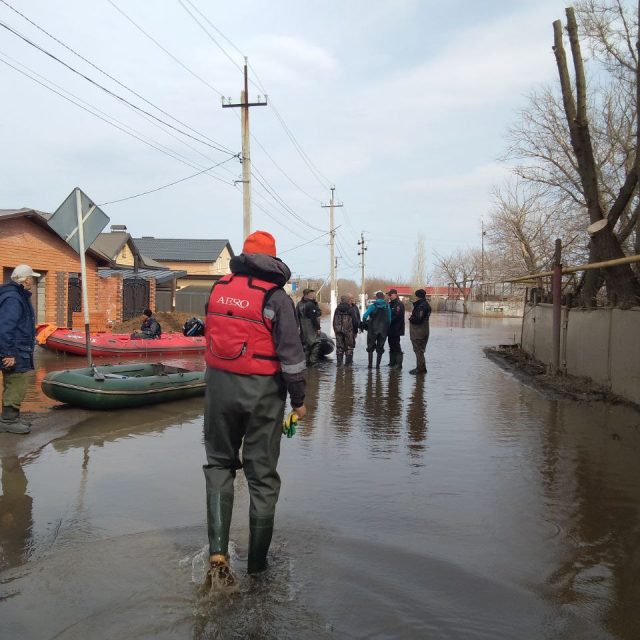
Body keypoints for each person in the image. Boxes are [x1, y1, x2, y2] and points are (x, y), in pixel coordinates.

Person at [203, 230, 307, 588]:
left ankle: (217, 552)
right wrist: (300, 402)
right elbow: (292, 357)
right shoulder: (276, 298)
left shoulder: (218, 288)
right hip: (262, 393)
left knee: (219, 463)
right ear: (274, 260)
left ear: (244, 256)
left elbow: (212, 335)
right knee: (261, 478)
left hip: (218, 387)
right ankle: (258, 571)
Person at [0, 264, 39, 435]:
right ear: (25, 279)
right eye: (32, 278)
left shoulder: (16, 295)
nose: (33, 281)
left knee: (14, 382)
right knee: (16, 383)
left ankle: (12, 417)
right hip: (14, 350)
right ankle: (8, 421)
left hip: (18, 348)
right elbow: (5, 327)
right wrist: (8, 353)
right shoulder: (14, 298)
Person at [362, 291, 392, 369]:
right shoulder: (387, 306)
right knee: (380, 348)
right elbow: (389, 319)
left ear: (376, 297)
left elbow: (365, 316)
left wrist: (365, 324)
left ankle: (370, 365)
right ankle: (378, 366)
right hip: (383, 331)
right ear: (383, 297)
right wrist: (387, 328)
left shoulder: (372, 306)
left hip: (372, 330)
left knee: (370, 347)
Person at [297, 289, 322, 366]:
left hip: (302, 328)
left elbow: (296, 316)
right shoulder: (311, 304)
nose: (314, 295)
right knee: (316, 343)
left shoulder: (299, 304)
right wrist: (318, 328)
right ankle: (313, 363)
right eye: (313, 294)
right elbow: (313, 318)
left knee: (305, 346)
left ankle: (305, 363)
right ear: (308, 294)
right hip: (311, 328)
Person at [409, 289, 431, 375]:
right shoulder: (427, 305)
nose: (415, 298)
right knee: (421, 350)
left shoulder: (421, 306)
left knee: (418, 350)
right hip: (425, 330)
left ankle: (420, 369)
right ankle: (421, 368)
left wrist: (411, 318)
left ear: (418, 296)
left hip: (418, 331)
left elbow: (418, 319)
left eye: (416, 296)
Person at [332, 295, 359, 366]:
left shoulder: (337, 309)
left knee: (339, 348)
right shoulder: (351, 309)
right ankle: (348, 366)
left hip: (338, 331)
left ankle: (339, 365)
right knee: (349, 348)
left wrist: (335, 330)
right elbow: (355, 321)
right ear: (348, 300)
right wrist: (355, 331)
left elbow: (334, 321)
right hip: (349, 331)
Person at [387, 289, 405, 369]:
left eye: (390, 295)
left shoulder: (399, 304)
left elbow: (396, 316)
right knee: (391, 344)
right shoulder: (390, 304)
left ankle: (398, 364)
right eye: (389, 295)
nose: (389, 296)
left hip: (397, 328)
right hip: (390, 328)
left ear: (394, 295)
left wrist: (388, 321)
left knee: (396, 345)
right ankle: (392, 362)